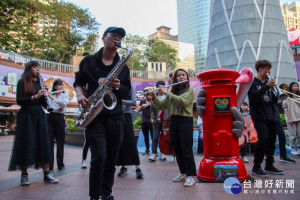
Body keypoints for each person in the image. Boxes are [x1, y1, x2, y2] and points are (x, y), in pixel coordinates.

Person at [73, 27, 131, 200]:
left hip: (115, 117)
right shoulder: (89, 61)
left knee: (111, 158)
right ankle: (94, 196)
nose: (117, 39)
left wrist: (119, 86)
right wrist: (80, 95)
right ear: (103, 38)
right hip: (94, 115)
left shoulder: (123, 67)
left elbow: (127, 93)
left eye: (120, 37)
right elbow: (78, 82)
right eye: (113, 35)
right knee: (99, 157)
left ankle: (107, 193)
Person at [8, 60, 59, 186]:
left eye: (38, 67)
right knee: (27, 142)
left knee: (44, 142)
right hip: (26, 115)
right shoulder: (22, 82)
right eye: (35, 66)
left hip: (39, 114)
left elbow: (43, 104)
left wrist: (45, 96)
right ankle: (24, 175)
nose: (37, 69)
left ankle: (47, 173)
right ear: (29, 68)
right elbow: (19, 100)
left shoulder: (40, 83)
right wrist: (35, 97)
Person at [150, 68, 196, 187]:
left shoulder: (189, 90)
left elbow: (181, 102)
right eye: (179, 76)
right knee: (177, 149)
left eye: (183, 75)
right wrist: (153, 98)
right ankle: (183, 173)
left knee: (186, 148)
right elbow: (161, 105)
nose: (181, 77)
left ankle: (191, 176)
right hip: (173, 121)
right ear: (175, 78)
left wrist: (166, 93)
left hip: (185, 120)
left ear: (187, 78)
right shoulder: (171, 93)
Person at [248, 60, 284, 178]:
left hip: (271, 115)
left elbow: (272, 100)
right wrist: (266, 87)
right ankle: (256, 166)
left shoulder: (268, 83)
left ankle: (269, 164)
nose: (269, 72)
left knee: (272, 140)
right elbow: (253, 97)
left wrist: (277, 93)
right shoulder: (253, 83)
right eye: (267, 69)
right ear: (260, 69)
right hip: (259, 116)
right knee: (263, 139)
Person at [116, 88, 143, 179]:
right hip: (115, 116)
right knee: (119, 142)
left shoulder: (129, 87)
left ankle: (137, 168)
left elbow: (134, 102)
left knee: (130, 142)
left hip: (126, 115)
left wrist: (120, 101)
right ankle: (123, 167)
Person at [48, 79, 69, 171]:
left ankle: (60, 164)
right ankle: (50, 165)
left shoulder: (65, 95)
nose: (61, 87)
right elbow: (49, 107)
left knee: (60, 142)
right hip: (50, 117)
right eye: (59, 85)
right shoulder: (50, 94)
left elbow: (63, 104)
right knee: (49, 142)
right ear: (55, 86)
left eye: (62, 85)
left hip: (60, 118)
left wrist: (53, 99)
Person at [149, 80, 167, 161]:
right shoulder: (154, 97)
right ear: (156, 88)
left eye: (162, 87)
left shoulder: (167, 96)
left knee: (164, 138)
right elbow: (152, 110)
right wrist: (152, 118)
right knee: (155, 137)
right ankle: (153, 153)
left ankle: (162, 153)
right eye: (158, 87)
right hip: (157, 121)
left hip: (165, 122)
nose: (160, 88)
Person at [282, 82, 300, 155]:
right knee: (292, 135)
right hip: (291, 118)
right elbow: (285, 108)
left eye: (297, 86)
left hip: (298, 117)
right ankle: (292, 148)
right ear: (291, 86)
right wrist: (289, 118)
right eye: (295, 86)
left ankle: (299, 148)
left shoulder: (298, 96)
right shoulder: (286, 96)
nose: (296, 87)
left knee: (299, 134)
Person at [138, 90, 153, 155]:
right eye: (147, 95)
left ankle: (154, 150)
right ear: (144, 95)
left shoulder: (154, 101)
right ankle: (147, 149)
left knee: (153, 136)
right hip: (144, 121)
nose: (148, 96)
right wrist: (142, 106)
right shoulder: (142, 101)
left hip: (152, 121)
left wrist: (150, 104)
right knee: (145, 136)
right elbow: (138, 110)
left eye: (149, 95)